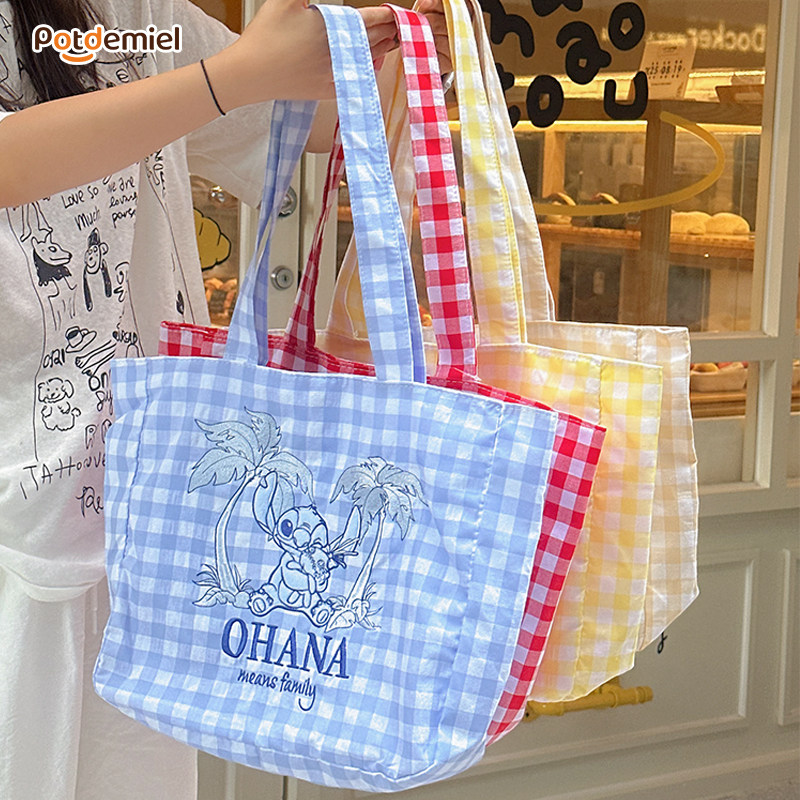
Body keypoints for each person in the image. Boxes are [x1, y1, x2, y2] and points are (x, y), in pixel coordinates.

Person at [0, 0, 449, 797]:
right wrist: (231, 75)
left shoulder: (127, 11)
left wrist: (388, 41)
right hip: (21, 520)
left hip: (148, 521)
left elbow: (308, 114)